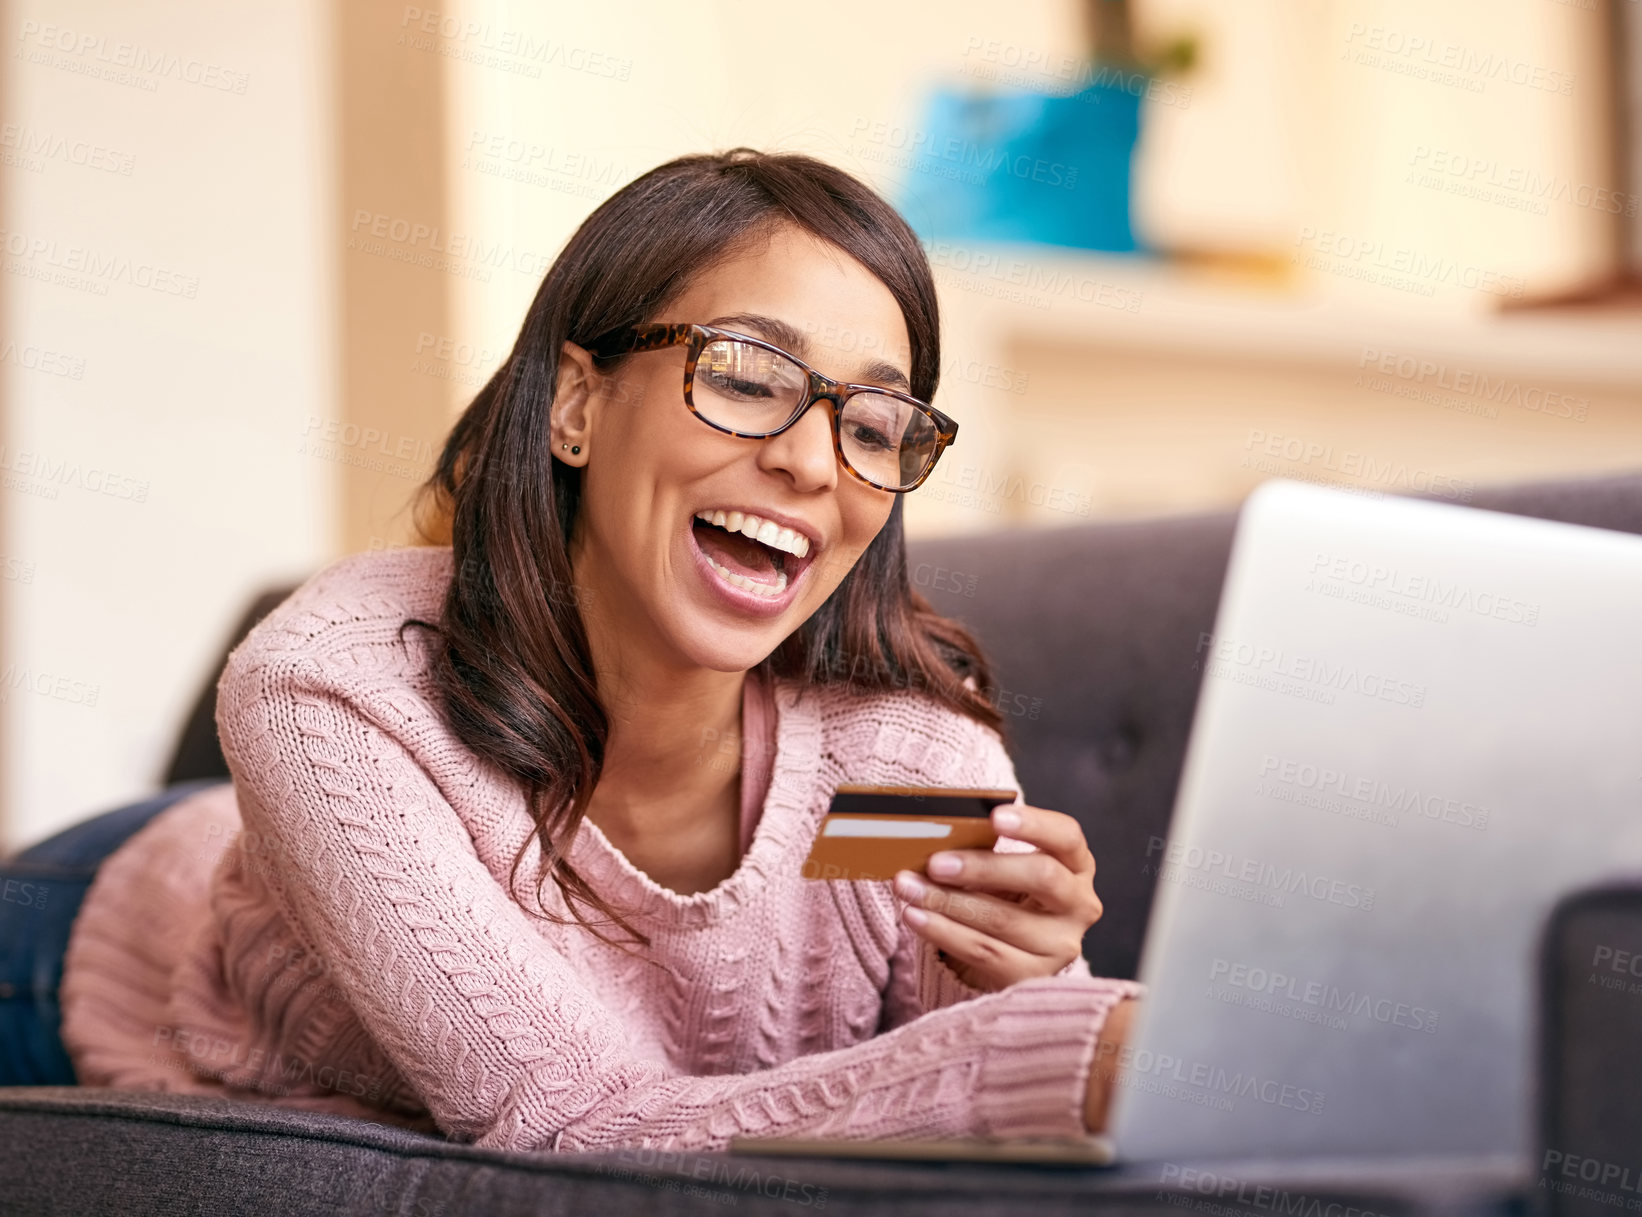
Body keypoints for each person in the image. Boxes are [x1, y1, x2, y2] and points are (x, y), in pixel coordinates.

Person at [40, 149, 1141, 1151]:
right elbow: (568, 1114)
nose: (815, 463)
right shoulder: (335, 689)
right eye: (750, 376)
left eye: (870, 423)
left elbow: (968, 1114)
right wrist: (1064, 1054)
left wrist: (1025, 979)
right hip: (81, 946)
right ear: (576, 402)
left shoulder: (894, 766)